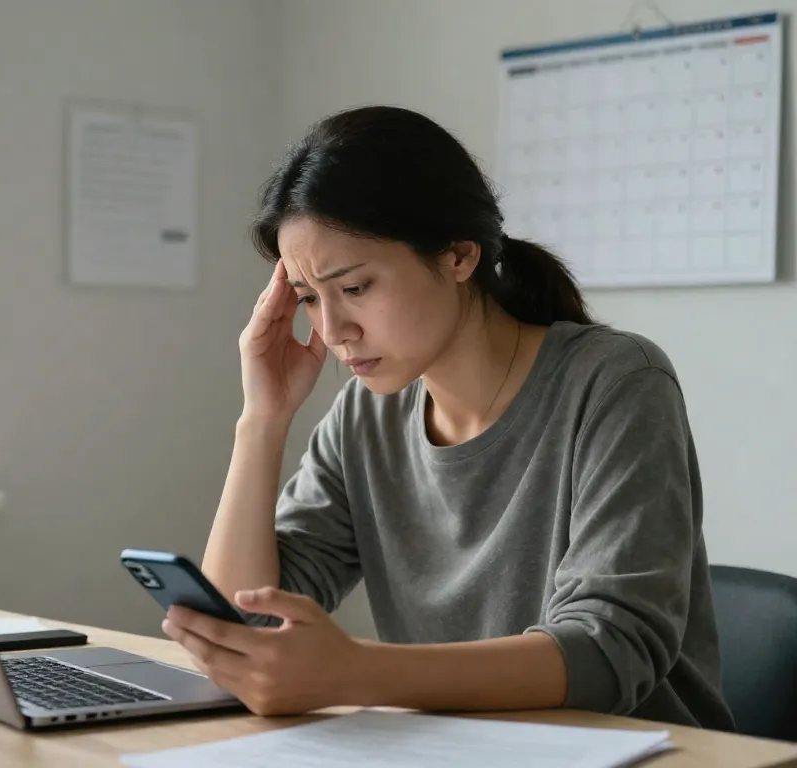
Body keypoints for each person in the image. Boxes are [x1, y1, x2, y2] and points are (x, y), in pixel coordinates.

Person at [160, 105, 735, 730]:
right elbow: (245, 630)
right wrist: (262, 420)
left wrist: (354, 672)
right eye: (306, 299)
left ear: (460, 256)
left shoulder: (615, 380)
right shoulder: (365, 414)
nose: (331, 330)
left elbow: (608, 653)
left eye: (354, 288)